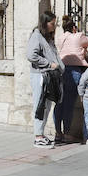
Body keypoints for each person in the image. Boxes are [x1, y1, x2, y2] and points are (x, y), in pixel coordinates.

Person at [53, 18, 88, 144]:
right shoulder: (78, 36)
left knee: (59, 102)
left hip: (61, 69)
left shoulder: (61, 37)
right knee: (69, 103)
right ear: (74, 28)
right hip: (74, 71)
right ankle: (67, 133)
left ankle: (58, 133)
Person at [27, 11, 63, 148]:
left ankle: (40, 134)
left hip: (48, 75)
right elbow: (31, 55)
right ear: (45, 23)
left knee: (46, 106)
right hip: (40, 75)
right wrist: (49, 64)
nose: (54, 26)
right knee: (40, 105)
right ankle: (38, 136)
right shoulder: (36, 36)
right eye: (52, 24)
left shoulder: (46, 37)